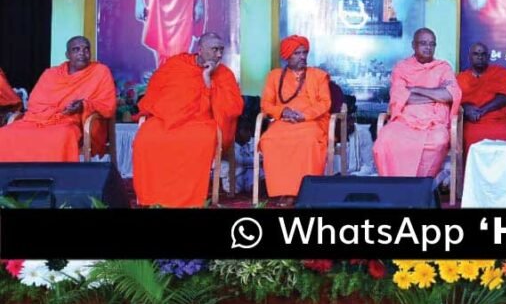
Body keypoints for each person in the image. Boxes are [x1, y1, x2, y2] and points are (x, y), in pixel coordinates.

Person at [132, 32, 243, 207]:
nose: (219, 55)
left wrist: (208, 80)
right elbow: (156, 92)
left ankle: (188, 199)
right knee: (146, 138)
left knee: (197, 141)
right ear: (200, 50)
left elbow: (231, 108)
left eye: (222, 50)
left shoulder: (224, 74)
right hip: (167, 119)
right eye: (215, 49)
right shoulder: (176, 64)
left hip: (202, 122)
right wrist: (167, 114)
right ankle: (152, 196)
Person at [0, 37, 115, 162]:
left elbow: (107, 105)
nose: (82, 53)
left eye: (86, 49)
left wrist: (83, 106)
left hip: (71, 123)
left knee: (62, 136)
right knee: (5, 133)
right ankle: (13, 178)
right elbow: (34, 103)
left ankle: (56, 178)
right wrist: (54, 113)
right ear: (68, 55)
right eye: (76, 49)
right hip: (39, 120)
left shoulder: (100, 72)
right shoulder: (51, 74)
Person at [373, 28, 462, 177]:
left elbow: (451, 94)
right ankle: (393, 187)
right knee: (383, 141)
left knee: (440, 140)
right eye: (423, 43)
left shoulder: (443, 68)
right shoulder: (401, 68)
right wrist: (435, 94)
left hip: (435, 123)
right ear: (413, 45)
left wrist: (415, 89)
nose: (428, 47)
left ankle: (421, 186)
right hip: (404, 121)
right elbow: (400, 96)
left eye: (432, 44)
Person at [258, 35, 332, 204]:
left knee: (308, 140)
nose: (302, 57)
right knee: (270, 139)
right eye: (297, 53)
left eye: (304, 52)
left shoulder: (318, 75)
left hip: (311, 121)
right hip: (283, 121)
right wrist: (283, 111)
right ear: (287, 56)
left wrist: (304, 115)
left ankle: (305, 190)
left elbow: (325, 103)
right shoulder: (275, 76)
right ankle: (284, 191)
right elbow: (266, 104)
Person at [457, 42, 506, 155]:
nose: (480, 57)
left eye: (483, 54)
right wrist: (466, 108)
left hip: (498, 119)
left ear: (489, 57)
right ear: (470, 57)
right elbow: (456, 101)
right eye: (476, 54)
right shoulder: (461, 78)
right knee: (469, 135)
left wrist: (482, 110)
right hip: (473, 122)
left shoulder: (500, 72)